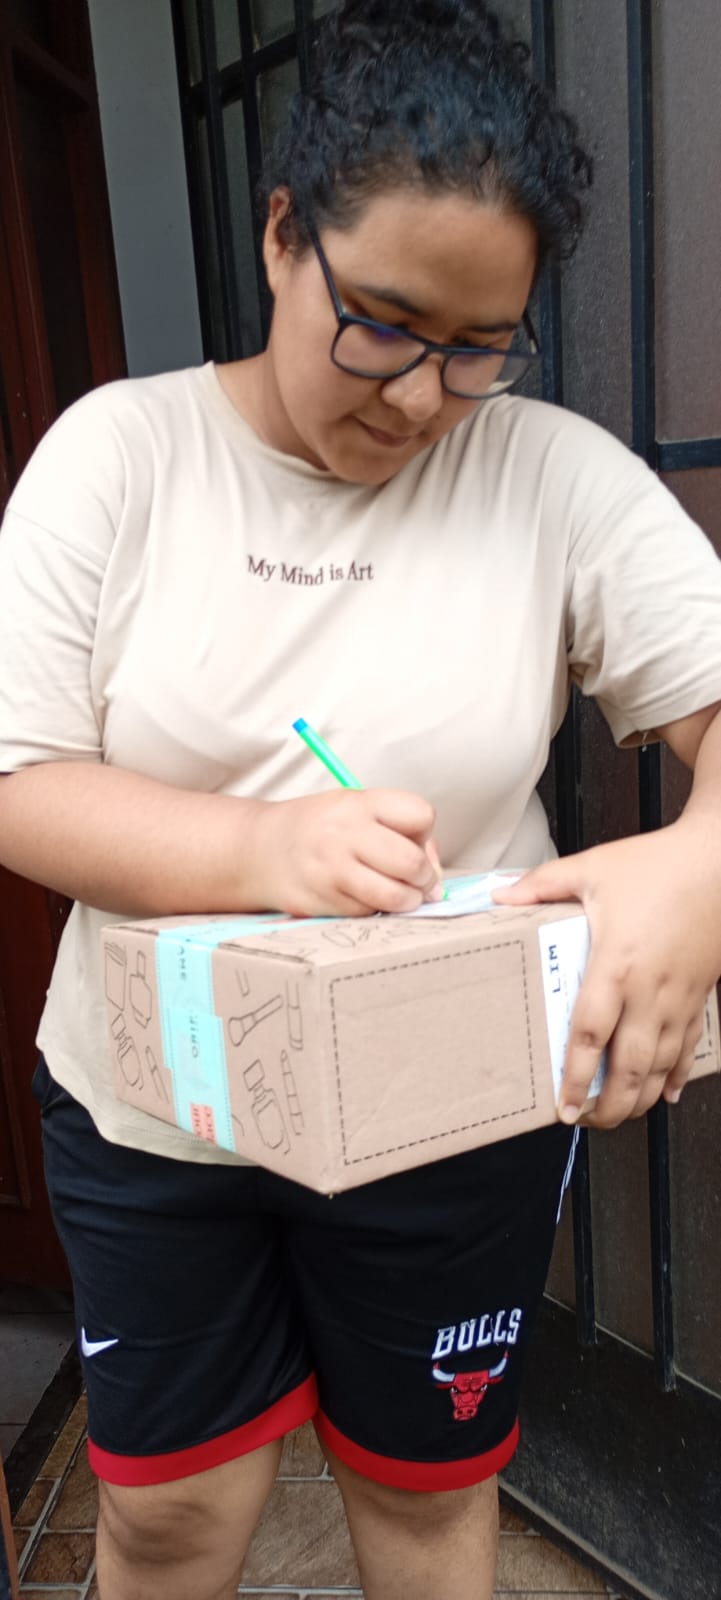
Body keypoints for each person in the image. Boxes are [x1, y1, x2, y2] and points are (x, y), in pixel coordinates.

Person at [1, 2, 721, 1596]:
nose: (416, 398)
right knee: (174, 1515)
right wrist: (261, 844)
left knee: (422, 1495)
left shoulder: (547, 476)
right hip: (157, 1106)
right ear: (282, 238)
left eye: (477, 346)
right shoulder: (117, 460)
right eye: (381, 325)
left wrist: (697, 870)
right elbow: (19, 783)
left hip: (440, 1103)